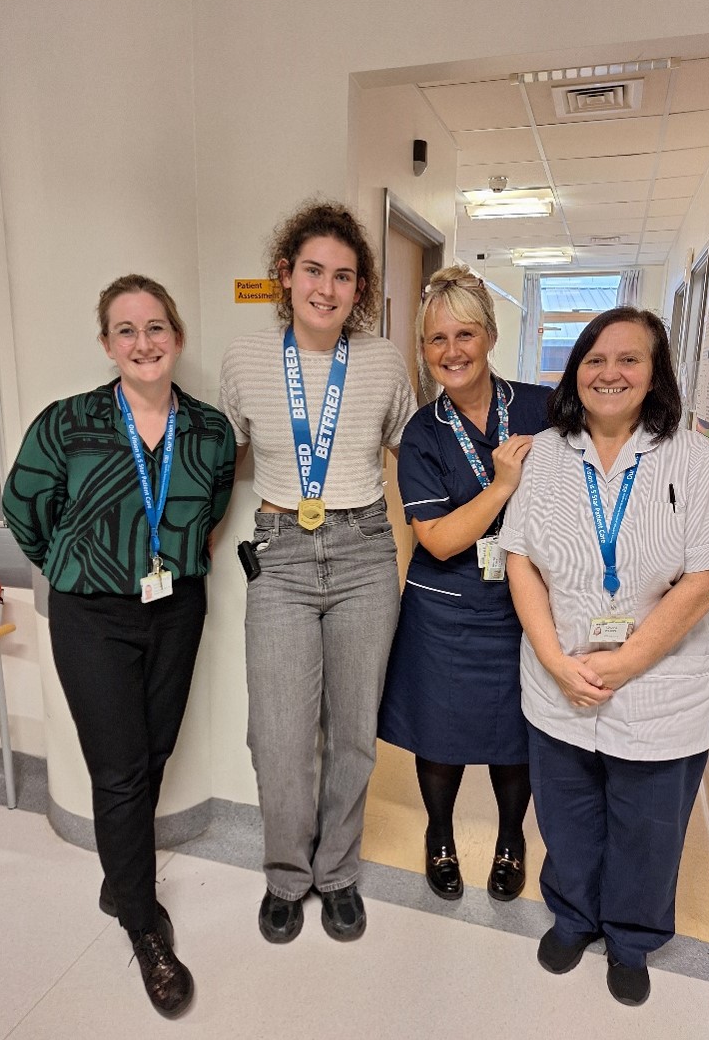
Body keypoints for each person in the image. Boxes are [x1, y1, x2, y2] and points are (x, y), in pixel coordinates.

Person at [498, 306, 709, 1006]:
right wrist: (553, 656)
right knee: (567, 808)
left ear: (655, 372)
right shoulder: (546, 453)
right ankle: (575, 914)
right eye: (595, 359)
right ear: (575, 368)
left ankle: (633, 934)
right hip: (560, 677)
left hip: (660, 684)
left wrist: (626, 660)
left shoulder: (692, 458)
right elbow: (518, 559)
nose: (609, 372)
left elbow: (706, 576)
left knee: (649, 822)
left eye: (629, 359)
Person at [2, 275, 236, 1018]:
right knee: (121, 770)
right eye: (127, 330)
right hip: (91, 615)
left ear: (178, 337)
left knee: (154, 751)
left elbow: (214, 506)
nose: (144, 342)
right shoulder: (67, 424)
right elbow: (23, 510)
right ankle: (143, 924)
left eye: (157, 326)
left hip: (176, 608)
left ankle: (118, 879)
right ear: (107, 344)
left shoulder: (208, 430)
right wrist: (82, 565)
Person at [219, 201, 415, 944]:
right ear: (285, 276)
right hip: (280, 552)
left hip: (365, 548)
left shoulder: (385, 360)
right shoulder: (245, 358)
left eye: (343, 276)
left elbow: (413, 453)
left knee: (354, 732)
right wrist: (196, 533)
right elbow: (222, 456)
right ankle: (285, 876)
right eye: (312, 272)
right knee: (278, 733)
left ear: (359, 288)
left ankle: (336, 874)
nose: (326, 290)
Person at [378, 266, 549, 902]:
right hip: (444, 611)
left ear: (491, 335)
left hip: (525, 605)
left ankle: (511, 838)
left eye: (465, 334)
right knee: (440, 735)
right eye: (436, 340)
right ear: (423, 349)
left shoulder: (540, 408)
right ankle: (440, 834)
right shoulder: (422, 432)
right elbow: (440, 539)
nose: (452, 352)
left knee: (515, 734)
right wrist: (503, 485)